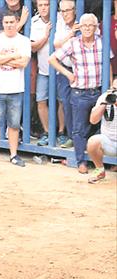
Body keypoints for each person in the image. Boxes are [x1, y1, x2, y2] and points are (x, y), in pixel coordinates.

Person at [50, 13, 110, 175]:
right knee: (79, 130)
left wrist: (109, 89)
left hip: (98, 92)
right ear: (80, 27)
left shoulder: (102, 42)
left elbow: (108, 65)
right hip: (79, 92)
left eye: (91, 25)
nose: (87, 28)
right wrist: (68, 74)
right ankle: (81, 161)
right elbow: (52, 59)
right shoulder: (73, 43)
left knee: (101, 128)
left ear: (96, 27)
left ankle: (100, 161)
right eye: (84, 26)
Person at [0, 12, 30, 168]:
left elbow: (24, 63)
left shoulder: (24, 41)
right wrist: (13, 56)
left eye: (12, 22)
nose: (9, 25)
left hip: (16, 89)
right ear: (2, 23)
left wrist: (3, 59)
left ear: (17, 23)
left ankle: (13, 155)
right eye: (6, 22)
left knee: (14, 124)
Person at [52, 0, 78, 149]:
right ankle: (70, 136)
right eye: (62, 11)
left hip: (82, 71)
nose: (65, 14)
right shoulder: (61, 23)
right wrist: (71, 33)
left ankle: (81, 136)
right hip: (64, 69)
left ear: (75, 10)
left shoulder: (83, 21)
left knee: (82, 104)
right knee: (66, 103)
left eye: (68, 10)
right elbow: (56, 43)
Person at [30, 0, 55, 147]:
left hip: (61, 69)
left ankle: (60, 133)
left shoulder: (59, 17)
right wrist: (46, 36)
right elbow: (33, 48)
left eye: (46, 4)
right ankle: (47, 132)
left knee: (61, 102)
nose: (44, 8)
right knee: (41, 100)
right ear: (37, 7)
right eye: (41, 5)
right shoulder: (34, 22)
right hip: (44, 69)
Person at [87, 78, 117, 183]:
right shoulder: (105, 97)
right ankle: (100, 170)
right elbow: (93, 120)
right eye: (114, 89)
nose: (115, 93)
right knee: (93, 141)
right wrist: (104, 103)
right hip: (110, 142)